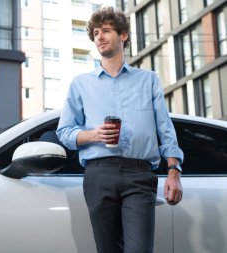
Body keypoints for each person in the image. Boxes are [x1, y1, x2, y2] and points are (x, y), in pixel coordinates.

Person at [56, 7, 184, 253]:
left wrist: (173, 171)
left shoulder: (148, 80)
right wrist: (93, 134)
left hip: (139, 174)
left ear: (123, 35)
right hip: (98, 174)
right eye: (95, 33)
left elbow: (165, 129)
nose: (99, 37)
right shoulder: (81, 84)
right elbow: (65, 133)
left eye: (106, 30)